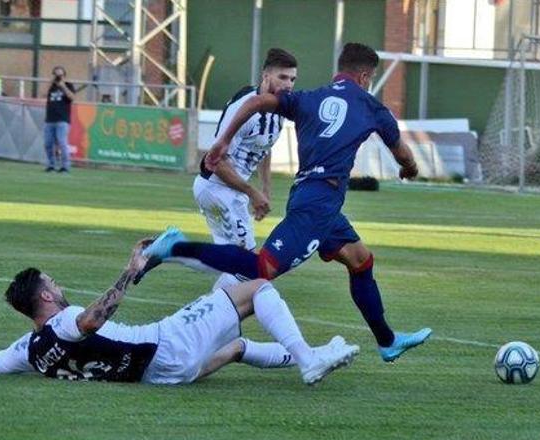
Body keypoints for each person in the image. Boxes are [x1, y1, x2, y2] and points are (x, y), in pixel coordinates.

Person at [138, 43, 432, 363]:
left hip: (317, 200)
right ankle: (174, 249)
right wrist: (410, 169)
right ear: (364, 76)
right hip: (316, 203)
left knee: (361, 261)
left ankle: (387, 340)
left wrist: (222, 140)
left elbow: (256, 102)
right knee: (260, 268)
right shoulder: (373, 108)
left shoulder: (310, 97)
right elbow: (403, 154)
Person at [0, 240, 360, 386]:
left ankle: (315, 352)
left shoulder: (30, 348)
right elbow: (91, 321)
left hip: (162, 376)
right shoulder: (66, 320)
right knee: (253, 287)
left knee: (237, 341)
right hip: (167, 344)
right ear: (47, 298)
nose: (59, 285)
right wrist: (129, 273)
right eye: (52, 282)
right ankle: (307, 359)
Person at [191, 48, 297, 291]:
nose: (288, 84)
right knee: (249, 268)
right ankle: (170, 252)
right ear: (265, 76)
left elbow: (264, 147)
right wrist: (252, 192)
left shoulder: (279, 108)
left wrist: (265, 188)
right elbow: (215, 161)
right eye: (282, 77)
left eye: (292, 79)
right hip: (215, 189)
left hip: (233, 192)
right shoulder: (244, 108)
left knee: (239, 267)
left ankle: (215, 323)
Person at [44, 66, 76, 173]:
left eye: (60, 75)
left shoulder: (69, 85)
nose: (58, 77)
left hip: (62, 119)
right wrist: (50, 83)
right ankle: (51, 165)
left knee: (62, 143)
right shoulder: (51, 86)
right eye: (56, 75)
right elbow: (43, 95)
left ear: (64, 76)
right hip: (50, 119)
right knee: (48, 143)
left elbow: (72, 97)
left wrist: (63, 87)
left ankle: (65, 166)